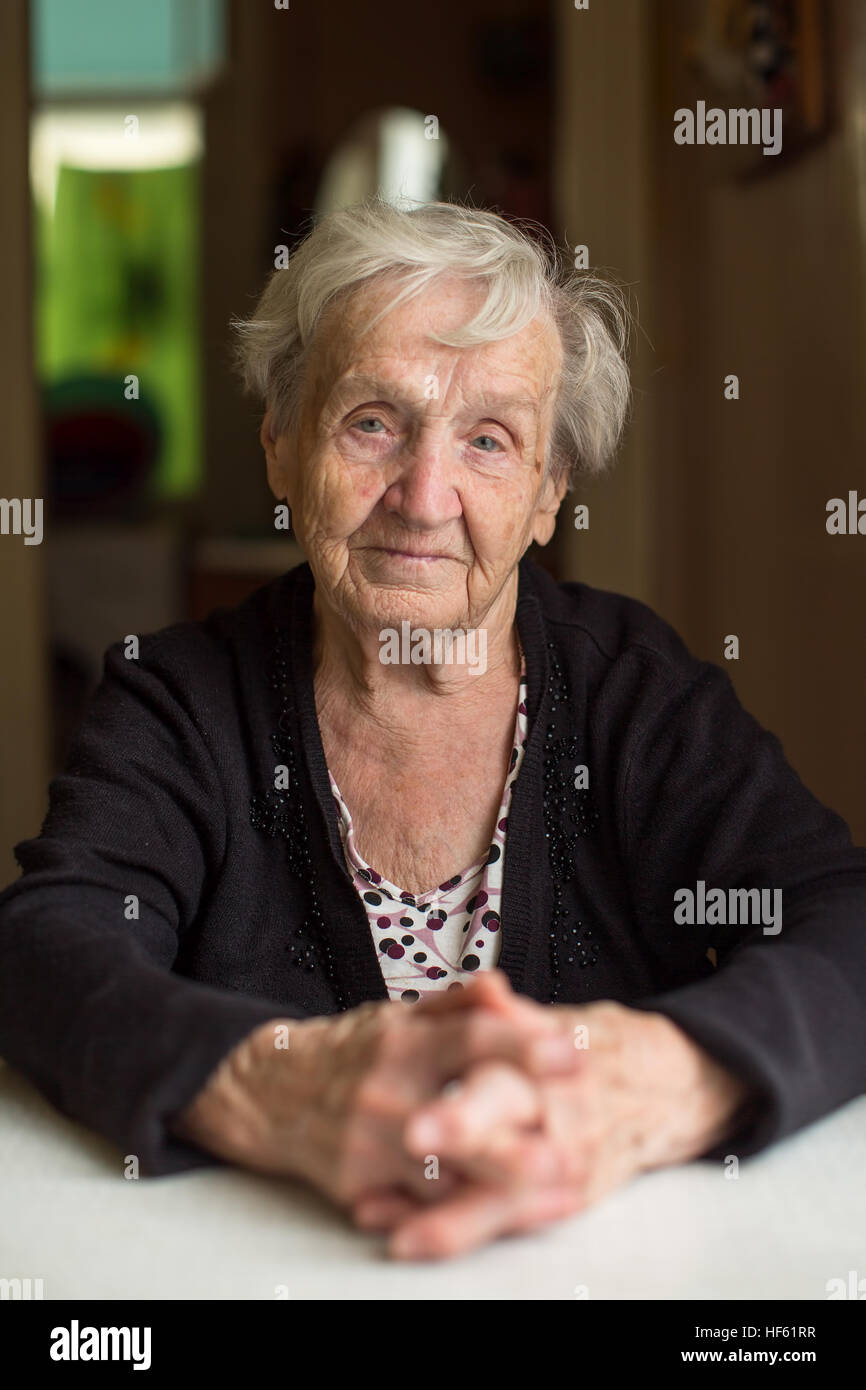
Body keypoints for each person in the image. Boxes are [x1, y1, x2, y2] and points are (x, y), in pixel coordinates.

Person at [2, 199, 865, 1263]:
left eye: (489, 440)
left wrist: (659, 1076)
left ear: (548, 494)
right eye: (372, 421)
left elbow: (845, 920)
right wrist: (285, 1082)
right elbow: (46, 954)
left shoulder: (635, 694)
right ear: (280, 447)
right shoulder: (179, 700)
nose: (423, 495)